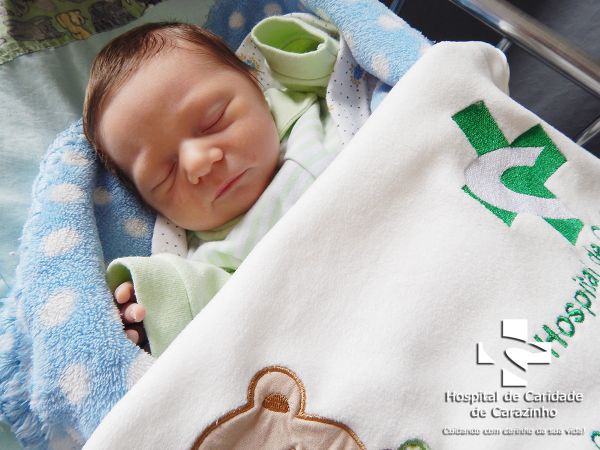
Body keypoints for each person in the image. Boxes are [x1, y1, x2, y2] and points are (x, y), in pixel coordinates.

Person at [83, 17, 342, 356]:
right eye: (164, 175)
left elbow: (342, 65)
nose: (197, 163)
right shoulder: (212, 258)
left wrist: (293, 47)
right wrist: (153, 304)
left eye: (213, 121)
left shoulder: (303, 106)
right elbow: (225, 321)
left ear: (255, 84)